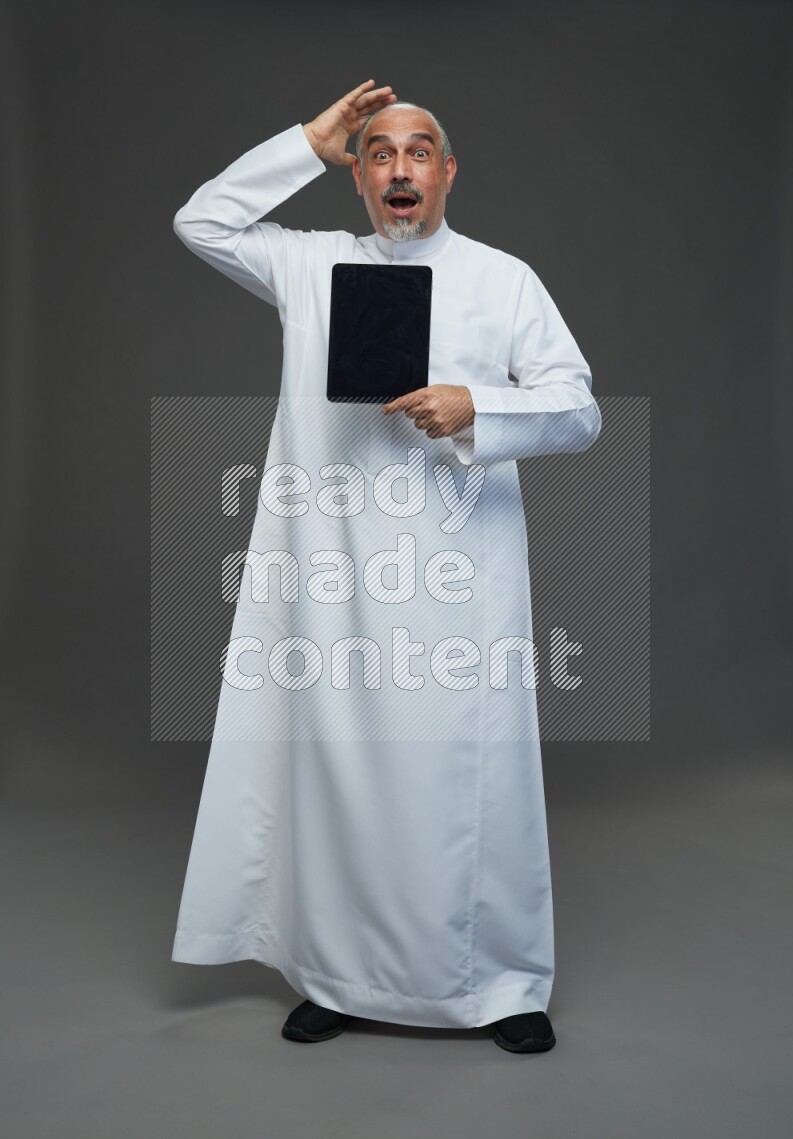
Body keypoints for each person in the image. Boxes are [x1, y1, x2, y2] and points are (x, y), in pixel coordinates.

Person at [171, 80, 601, 1053]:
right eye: (377, 153)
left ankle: (499, 982)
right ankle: (337, 971)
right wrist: (302, 142)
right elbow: (201, 220)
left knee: (471, 776)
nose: (399, 166)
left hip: (459, 573)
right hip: (333, 575)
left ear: (445, 173)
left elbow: (578, 408)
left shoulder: (503, 279)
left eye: (417, 151)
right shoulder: (309, 266)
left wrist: (477, 410)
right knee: (339, 771)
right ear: (358, 179)